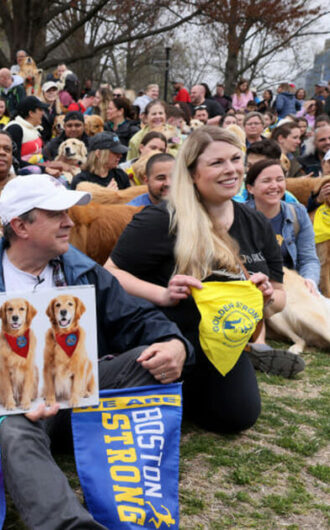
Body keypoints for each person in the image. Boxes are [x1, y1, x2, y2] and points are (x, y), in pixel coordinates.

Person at [0, 173, 190, 529]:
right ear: (20, 226)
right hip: (21, 407)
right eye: (56, 215)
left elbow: (137, 318)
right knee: (11, 428)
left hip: (83, 394)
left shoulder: (83, 271)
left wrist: (176, 344)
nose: (70, 221)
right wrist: (18, 392)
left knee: (150, 359)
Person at [106, 126, 301, 438]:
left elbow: (279, 298)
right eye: (217, 163)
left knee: (237, 417)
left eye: (237, 159)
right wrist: (163, 294)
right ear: (193, 172)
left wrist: (265, 297)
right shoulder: (161, 220)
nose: (231, 170)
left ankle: (187, 392)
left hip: (223, 343)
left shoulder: (256, 224)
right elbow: (111, 272)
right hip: (167, 336)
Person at [244, 159, 319, 291]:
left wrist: (309, 281)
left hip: (293, 287)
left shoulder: (298, 212)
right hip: (254, 288)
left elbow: (308, 259)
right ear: (250, 188)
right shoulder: (239, 216)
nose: (274, 186)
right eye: (266, 181)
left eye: (279, 179)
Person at [3, 96, 48, 164]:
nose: (43, 113)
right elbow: (14, 161)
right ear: (31, 113)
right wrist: (44, 169)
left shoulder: (34, 129)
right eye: (40, 110)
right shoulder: (15, 128)